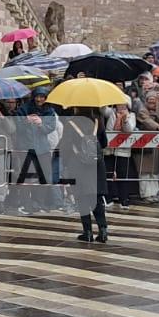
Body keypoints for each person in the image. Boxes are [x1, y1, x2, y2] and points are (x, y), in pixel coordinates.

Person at [65, 109, 109, 243]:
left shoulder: (71, 123)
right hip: (96, 165)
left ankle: (87, 232)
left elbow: (65, 145)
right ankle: (103, 231)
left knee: (82, 198)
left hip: (79, 164)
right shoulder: (98, 121)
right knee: (96, 198)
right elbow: (104, 143)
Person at [104, 102, 137, 207]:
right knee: (108, 173)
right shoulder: (111, 113)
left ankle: (124, 198)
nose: (120, 106)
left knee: (122, 174)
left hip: (123, 150)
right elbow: (108, 128)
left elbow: (129, 130)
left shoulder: (131, 115)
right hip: (110, 149)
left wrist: (124, 119)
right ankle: (108, 198)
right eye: (118, 104)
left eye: (123, 104)